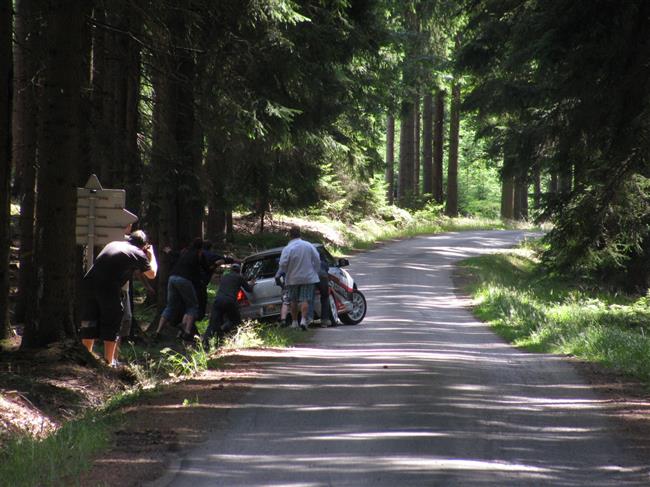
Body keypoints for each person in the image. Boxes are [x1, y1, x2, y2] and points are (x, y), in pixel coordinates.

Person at [79, 230, 158, 367]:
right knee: (112, 321)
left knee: (90, 320)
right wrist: (152, 256)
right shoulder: (137, 252)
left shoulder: (114, 243)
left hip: (89, 284)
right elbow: (152, 274)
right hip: (108, 287)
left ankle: (86, 358)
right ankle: (109, 363)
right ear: (143, 245)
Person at [154, 238, 210, 341]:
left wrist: (168, 251)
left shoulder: (184, 252)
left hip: (172, 278)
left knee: (170, 306)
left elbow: (175, 255)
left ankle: (158, 331)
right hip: (184, 280)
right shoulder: (199, 254)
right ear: (201, 248)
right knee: (192, 306)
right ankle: (187, 331)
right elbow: (206, 268)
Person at [275, 226, 320, 330]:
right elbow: (317, 259)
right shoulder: (308, 245)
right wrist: (315, 270)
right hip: (308, 277)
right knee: (305, 299)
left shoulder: (288, 248)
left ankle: (295, 322)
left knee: (293, 300)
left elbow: (282, 264)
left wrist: (287, 271)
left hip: (292, 278)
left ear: (290, 236)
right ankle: (304, 321)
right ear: (300, 234)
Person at [202, 263, 255, 347]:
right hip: (229, 301)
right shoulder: (239, 277)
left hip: (218, 301)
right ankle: (223, 330)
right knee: (235, 320)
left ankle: (205, 341)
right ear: (239, 270)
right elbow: (249, 289)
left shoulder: (224, 277)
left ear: (230, 270)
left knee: (213, 322)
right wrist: (252, 283)